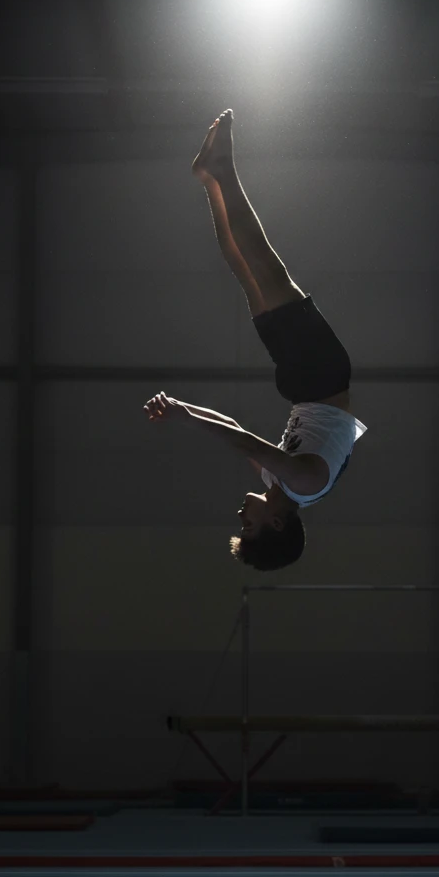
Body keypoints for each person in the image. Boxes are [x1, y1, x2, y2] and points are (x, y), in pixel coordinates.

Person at [143, 109, 367, 571]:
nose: (241, 515)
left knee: (245, 273)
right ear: (278, 524)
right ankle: (223, 171)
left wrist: (183, 408)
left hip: (304, 382)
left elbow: (229, 423)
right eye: (249, 525)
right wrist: (183, 417)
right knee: (265, 266)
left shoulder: (279, 480)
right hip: (321, 374)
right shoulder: (303, 485)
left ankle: (211, 181)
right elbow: (243, 440)